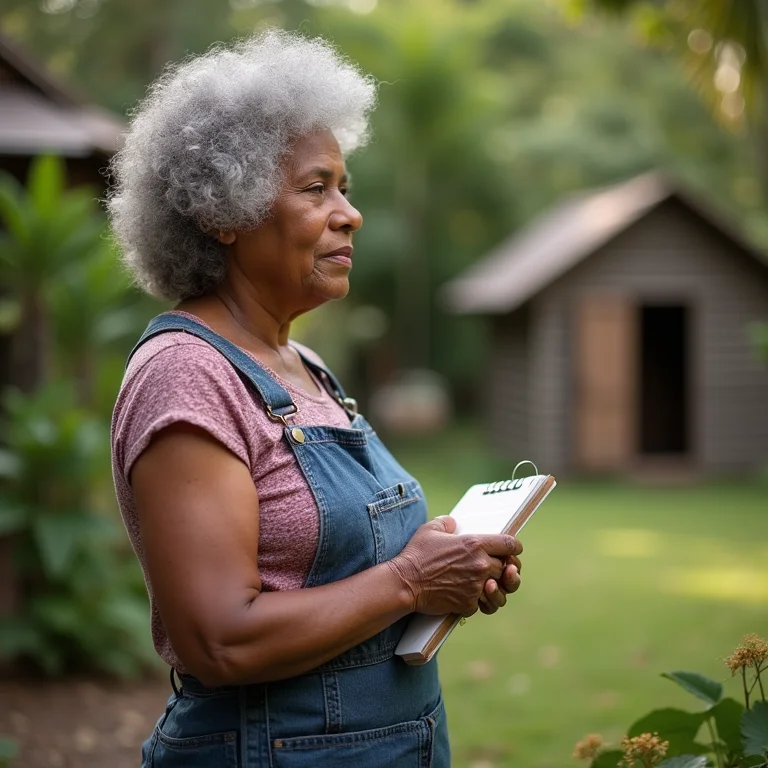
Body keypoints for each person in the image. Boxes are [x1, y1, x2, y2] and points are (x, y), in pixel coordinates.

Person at [108, 30, 524, 768]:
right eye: (315, 187)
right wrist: (407, 581)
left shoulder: (306, 365)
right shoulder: (186, 374)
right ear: (222, 213)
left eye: (345, 188)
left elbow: (342, 572)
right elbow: (220, 639)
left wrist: (450, 571)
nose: (349, 213)